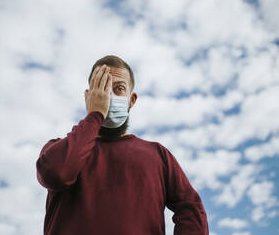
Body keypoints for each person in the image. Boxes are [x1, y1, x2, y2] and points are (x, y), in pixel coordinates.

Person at [36, 55, 209, 235]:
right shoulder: (59, 149)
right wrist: (95, 115)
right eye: (101, 88)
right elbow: (56, 174)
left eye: (118, 89)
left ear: (131, 100)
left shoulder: (157, 155)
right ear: (88, 97)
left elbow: (191, 209)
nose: (108, 96)